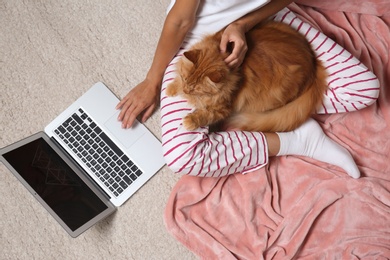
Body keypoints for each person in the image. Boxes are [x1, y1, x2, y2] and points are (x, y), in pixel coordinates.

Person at [116, 0, 380, 179]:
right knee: (183, 156)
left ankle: (252, 107)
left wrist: (243, 25)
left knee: (364, 89)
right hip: (200, 44)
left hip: (265, 21)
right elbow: (179, 21)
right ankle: (295, 140)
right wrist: (153, 80)